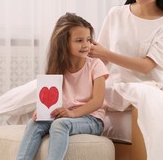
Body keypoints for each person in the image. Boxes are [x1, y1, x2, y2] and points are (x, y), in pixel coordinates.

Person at [16, 13, 109, 160]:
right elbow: (50, 98)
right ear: (64, 43)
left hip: (92, 119)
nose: (86, 45)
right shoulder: (57, 67)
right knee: (35, 123)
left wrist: (73, 113)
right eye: (79, 40)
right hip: (64, 114)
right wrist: (41, 111)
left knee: (60, 125)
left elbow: (97, 101)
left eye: (88, 39)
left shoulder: (96, 65)